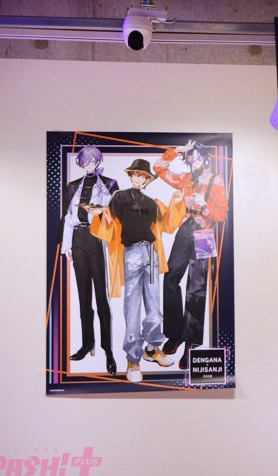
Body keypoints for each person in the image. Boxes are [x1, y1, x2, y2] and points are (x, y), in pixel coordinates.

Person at [89, 159, 185, 384]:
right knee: (132, 306)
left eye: (143, 176)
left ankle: (152, 348)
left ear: (147, 180)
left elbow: (168, 224)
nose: (138, 179)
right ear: (130, 176)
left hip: (151, 253)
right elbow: (108, 221)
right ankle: (133, 359)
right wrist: (98, 212)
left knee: (154, 305)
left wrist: (176, 202)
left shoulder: (152, 202)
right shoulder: (120, 197)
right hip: (131, 253)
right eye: (135, 175)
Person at [153, 140, 229, 370]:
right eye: (190, 157)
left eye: (196, 156)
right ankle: (175, 333)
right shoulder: (186, 178)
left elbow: (222, 215)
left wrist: (205, 206)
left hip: (205, 232)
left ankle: (191, 344)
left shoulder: (217, 180)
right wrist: (174, 152)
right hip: (185, 228)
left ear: (204, 158)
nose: (193, 160)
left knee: (197, 288)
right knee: (171, 278)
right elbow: (159, 169)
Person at [60, 146, 119, 376]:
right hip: (77, 239)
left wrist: (101, 210)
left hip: (97, 238)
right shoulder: (73, 185)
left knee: (101, 297)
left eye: (93, 161)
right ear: (81, 163)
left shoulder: (110, 184)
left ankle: (108, 349)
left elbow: (116, 214)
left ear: (98, 161)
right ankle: (87, 343)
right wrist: (67, 246)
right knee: (83, 296)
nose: (89, 165)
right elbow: (68, 217)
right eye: (85, 162)